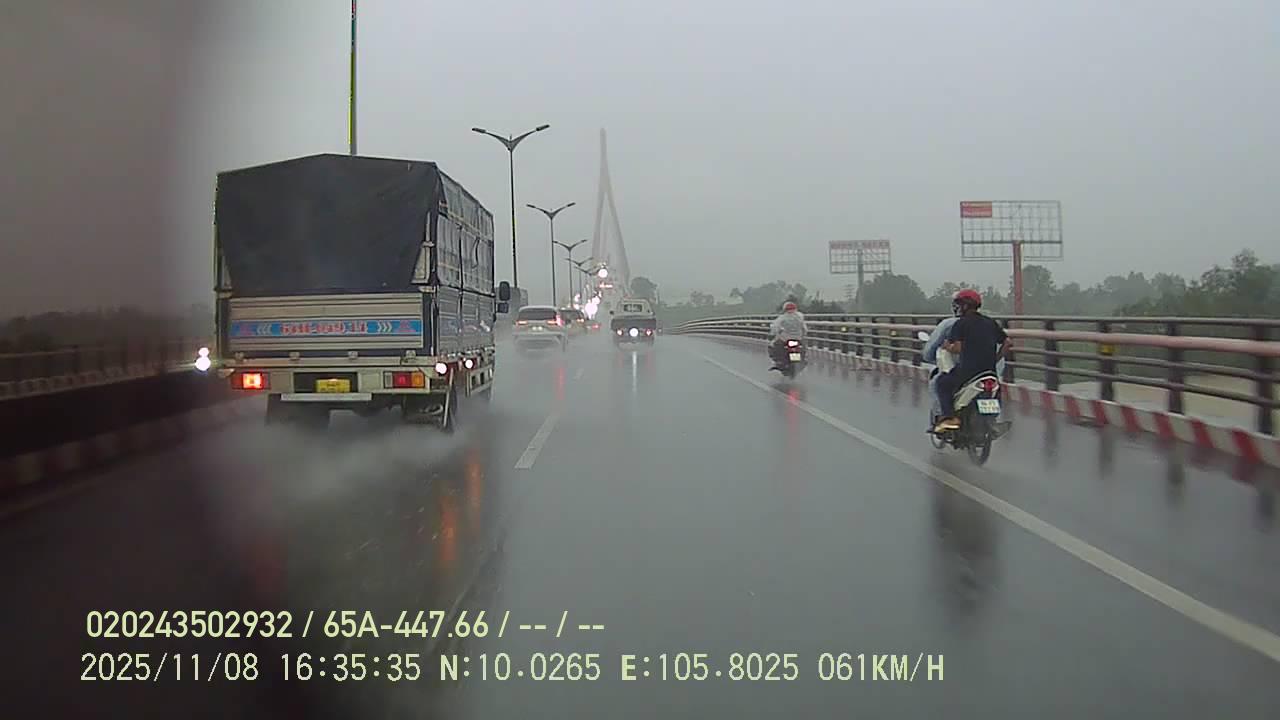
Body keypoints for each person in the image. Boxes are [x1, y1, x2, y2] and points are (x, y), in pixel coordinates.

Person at [933, 289, 1010, 432]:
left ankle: (949, 417)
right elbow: (1007, 342)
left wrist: (947, 347)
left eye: (958, 305)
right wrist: (996, 359)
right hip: (989, 371)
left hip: (968, 371)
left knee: (942, 383)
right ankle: (992, 421)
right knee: (996, 389)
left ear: (965, 306)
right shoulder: (990, 322)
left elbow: (957, 348)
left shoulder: (961, 324)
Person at [768, 301, 807, 369]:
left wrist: (773, 333)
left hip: (785, 339)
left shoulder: (783, 317)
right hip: (798, 338)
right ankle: (802, 360)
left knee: (773, 345)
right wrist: (803, 335)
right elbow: (805, 328)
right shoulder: (800, 317)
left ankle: (779, 361)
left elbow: (775, 327)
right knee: (803, 347)